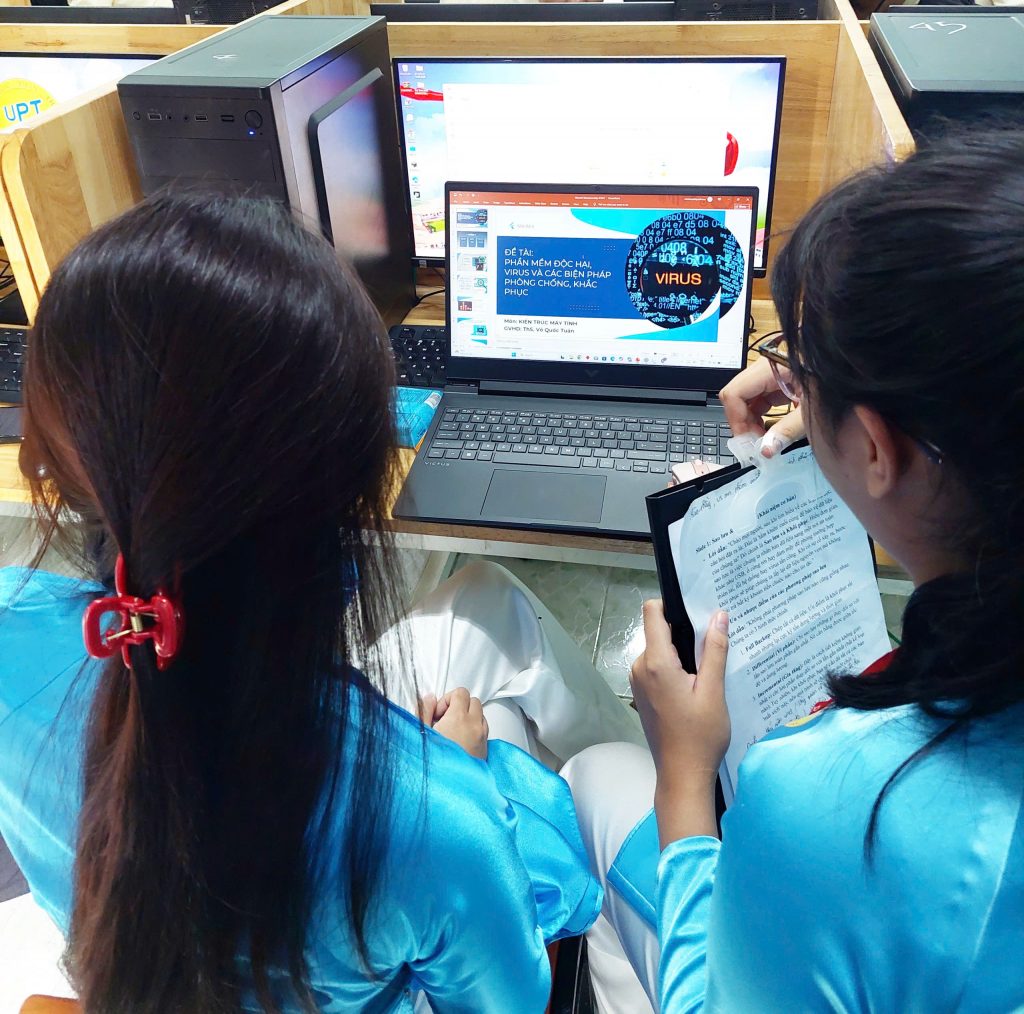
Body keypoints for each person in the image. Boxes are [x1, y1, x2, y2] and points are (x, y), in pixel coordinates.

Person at [0, 191, 643, 1013]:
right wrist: (467, 774)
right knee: (575, 762)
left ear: (54, 464)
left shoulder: (14, 625)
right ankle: (649, 767)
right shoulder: (440, 826)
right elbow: (509, 1003)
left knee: (485, 601)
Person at [565, 123, 1024, 1012]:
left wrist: (685, 776)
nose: (785, 384)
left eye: (799, 367)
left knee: (596, 773)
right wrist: (846, 400)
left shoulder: (825, 798)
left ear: (879, 447)